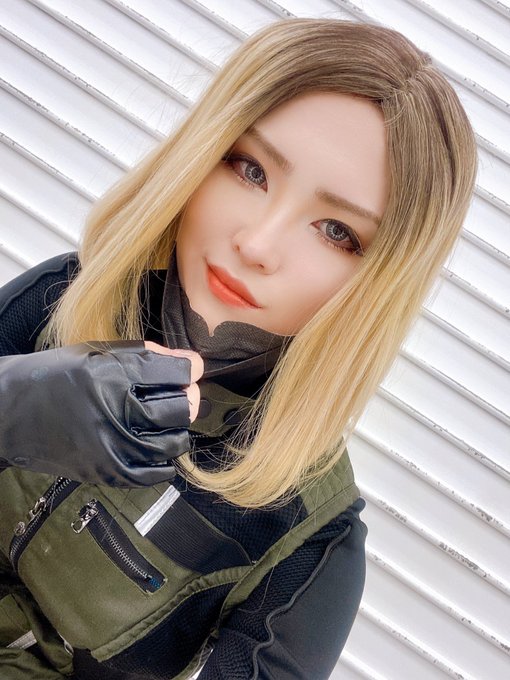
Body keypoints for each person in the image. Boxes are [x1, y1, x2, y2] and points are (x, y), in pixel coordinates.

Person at [0, 17, 477, 680]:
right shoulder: (64, 295)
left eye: (336, 231)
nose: (257, 244)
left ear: (380, 281)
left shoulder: (310, 542)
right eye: (251, 170)